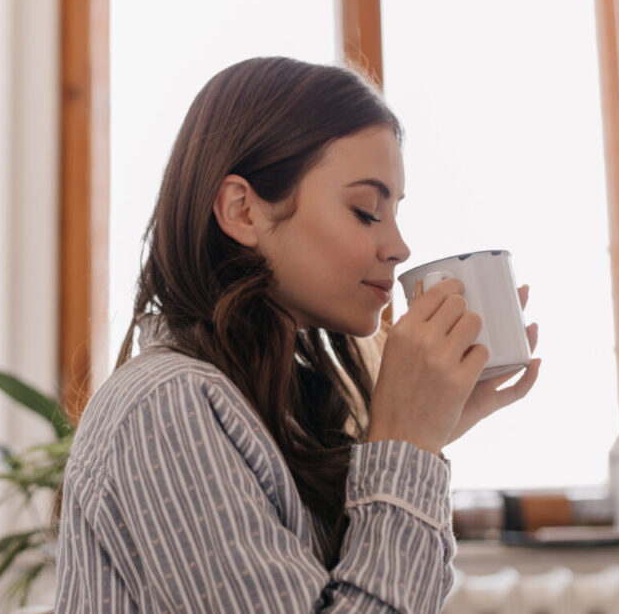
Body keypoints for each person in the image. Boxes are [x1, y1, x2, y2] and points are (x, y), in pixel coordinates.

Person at [55, 56, 541, 613]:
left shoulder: (274, 408)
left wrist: (426, 434)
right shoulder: (170, 403)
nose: (399, 246)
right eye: (366, 211)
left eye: (395, 213)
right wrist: (404, 447)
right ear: (242, 210)